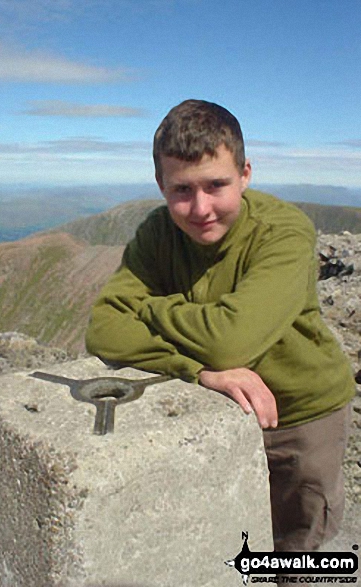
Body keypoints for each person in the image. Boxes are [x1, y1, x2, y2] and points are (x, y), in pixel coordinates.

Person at [85, 99, 355, 552]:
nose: (200, 208)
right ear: (160, 184)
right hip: (215, 410)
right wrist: (198, 371)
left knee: (295, 553)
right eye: (182, 190)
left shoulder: (284, 232)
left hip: (302, 419)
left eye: (217, 185)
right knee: (224, 547)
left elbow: (231, 342)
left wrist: (151, 308)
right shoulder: (158, 232)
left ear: (246, 173)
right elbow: (103, 330)